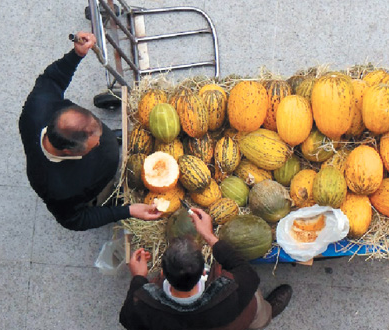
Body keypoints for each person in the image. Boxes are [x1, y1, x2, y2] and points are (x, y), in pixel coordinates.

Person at [19, 31, 163, 231]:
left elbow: (52, 80)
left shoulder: (38, 106)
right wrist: (127, 211)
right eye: (94, 143)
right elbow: (76, 221)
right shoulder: (57, 188)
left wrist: (76, 54)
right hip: (95, 186)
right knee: (103, 196)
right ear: (70, 151)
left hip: (94, 163)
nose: (100, 139)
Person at [119, 208, 293, 330]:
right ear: (204, 272)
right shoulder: (231, 290)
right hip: (231, 321)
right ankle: (265, 316)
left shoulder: (142, 305)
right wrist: (210, 236)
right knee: (255, 302)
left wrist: (138, 278)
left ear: (162, 273)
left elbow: (126, 320)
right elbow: (247, 272)